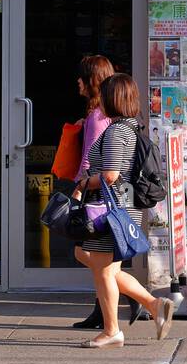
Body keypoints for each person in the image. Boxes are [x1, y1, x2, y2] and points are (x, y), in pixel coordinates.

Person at [74, 73, 176, 348]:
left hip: (113, 208)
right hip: (119, 207)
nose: (100, 102)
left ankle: (112, 331)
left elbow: (110, 174)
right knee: (95, 261)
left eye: (104, 96)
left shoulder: (118, 131)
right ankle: (155, 306)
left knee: (105, 270)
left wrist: (83, 183)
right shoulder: (129, 127)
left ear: (113, 99)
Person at [70, 55, 126, 331]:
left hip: (97, 191)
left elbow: (90, 160)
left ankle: (139, 300)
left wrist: (78, 187)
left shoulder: (96, 117)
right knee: (102, 259)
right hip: (112, 193)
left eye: (81, 77)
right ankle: (103, 310)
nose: (77, 82)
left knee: (86, 253)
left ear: (92, 81)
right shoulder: (106, 116)